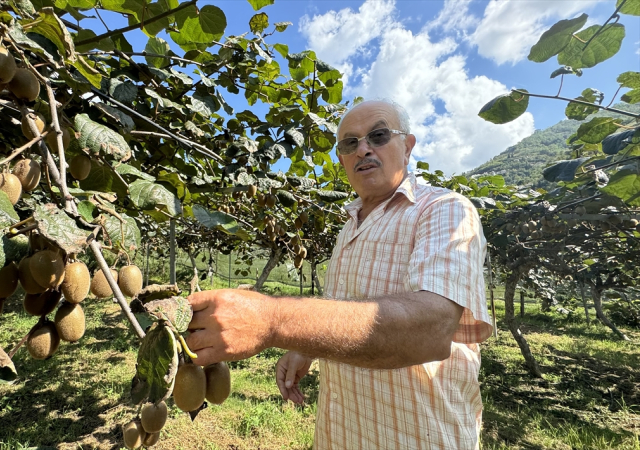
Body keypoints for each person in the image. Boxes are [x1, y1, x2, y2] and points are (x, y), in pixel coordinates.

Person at [186, 99, 493, 449]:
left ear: (407, 147)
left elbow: (432, 329)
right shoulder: (350, 226)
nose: (363, 149)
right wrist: (309, 347)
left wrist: (271, 321)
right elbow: (349, 308)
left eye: (378, 136)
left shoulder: (443, 210)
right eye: (350, 143)